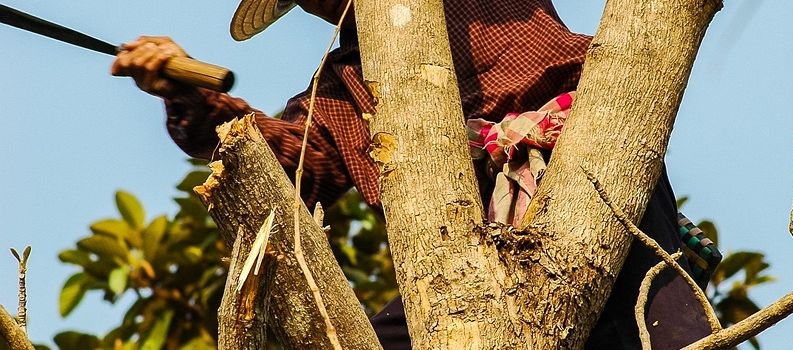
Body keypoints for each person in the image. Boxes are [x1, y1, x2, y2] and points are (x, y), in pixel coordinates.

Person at [111, 0, 713, 348]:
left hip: (587, 166)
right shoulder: (344, 83)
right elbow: (287, 161)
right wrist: (182, 94)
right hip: (459, 251)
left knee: (663, 330)